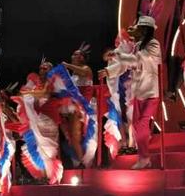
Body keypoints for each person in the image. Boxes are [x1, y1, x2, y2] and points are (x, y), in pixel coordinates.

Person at [100, 15, 161, 170]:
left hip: (151, 92)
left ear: (145, 30)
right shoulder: (138, 45)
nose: (135, 30)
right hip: (138, 93)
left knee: (141, 125)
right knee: (136, 127)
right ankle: (144, 158)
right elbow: (125, 65)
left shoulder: (153, 44)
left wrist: (117, 55)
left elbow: (137, 61)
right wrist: (109, 71)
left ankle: (144, 158)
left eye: (139, 27)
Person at [60, 43, 94, 167]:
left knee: (76, 135)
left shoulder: (86, 69)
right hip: (73, 105)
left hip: (82, 106)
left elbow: (83, 74)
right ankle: (79, 159)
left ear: (83, 58)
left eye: (77, 54)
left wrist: (67, 66)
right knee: (71, 135)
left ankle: (82, 161)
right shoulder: (73, 75)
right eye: (73, 54)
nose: (73, 56)